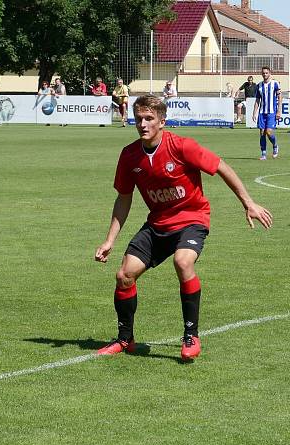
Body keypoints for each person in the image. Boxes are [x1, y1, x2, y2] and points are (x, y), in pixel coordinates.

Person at [94, 94, 273, 362]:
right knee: (124, 275)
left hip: (192, 218)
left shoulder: (182, 147)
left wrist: (248, 203)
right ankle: (125, 339)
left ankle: (191, 335)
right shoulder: (130, 155)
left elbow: (221, 166)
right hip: (157, 224)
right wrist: (110, 240)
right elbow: (124, 198)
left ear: (162, 121)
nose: (143, 124)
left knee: (183, 261)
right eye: (139, 119)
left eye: (149, 119)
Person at [252, 66, 282, 160]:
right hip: (262, 113)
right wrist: (254, 113)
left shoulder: (275, 83)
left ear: (269, 73)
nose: (264, 74)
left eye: (266, 73)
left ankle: (275, 145)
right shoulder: (259, 85)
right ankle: (263, 154)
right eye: (263, 73)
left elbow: (280, 97)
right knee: (262, 133)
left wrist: (279, 110)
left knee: (269, 132)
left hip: (271, 112)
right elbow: (257, 100)